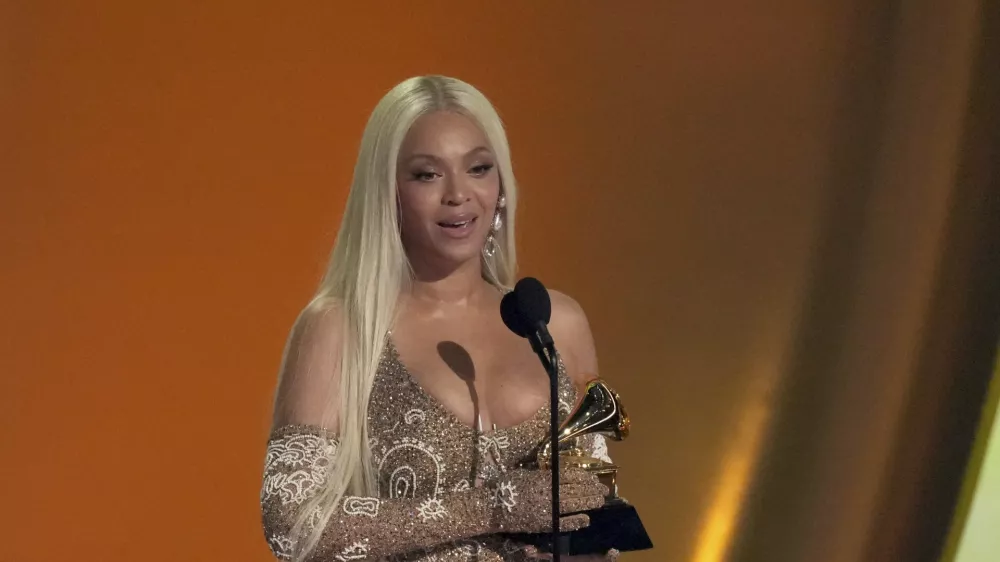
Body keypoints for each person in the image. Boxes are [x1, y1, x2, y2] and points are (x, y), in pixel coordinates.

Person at [260, 75, 619, 562]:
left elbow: (595, 510)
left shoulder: (555, 323)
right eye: (427, 174)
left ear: (502, 185)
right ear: (388, 193)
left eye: (478, 168)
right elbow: (294, 526)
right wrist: (492, 509)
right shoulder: (341, 329)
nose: (458, 194)